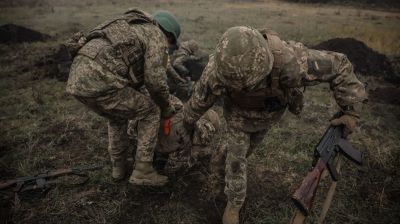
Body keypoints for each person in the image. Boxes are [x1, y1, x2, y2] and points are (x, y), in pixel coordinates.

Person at [182, 26, 368, 224]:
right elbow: (198, 101)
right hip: (237, 118)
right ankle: (233, 204)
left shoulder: (291, 61)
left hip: (269, 116)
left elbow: (339, 65)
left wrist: (350, 111)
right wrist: (187, 124)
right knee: (236, 161)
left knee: (238, 153)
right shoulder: (216, 70)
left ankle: (222, 169)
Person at [66, 8, 181, 186]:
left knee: (116, 115)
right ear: (169, 35)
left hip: (77, 79)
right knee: (150, 110)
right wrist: (166, 107)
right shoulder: (156, 34)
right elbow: (155, 82)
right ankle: (143, 170)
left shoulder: (129, 25)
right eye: (170, 43)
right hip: (102, 78)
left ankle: (118, 166)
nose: (168, 47)